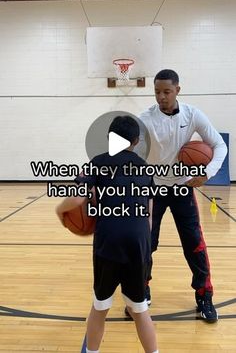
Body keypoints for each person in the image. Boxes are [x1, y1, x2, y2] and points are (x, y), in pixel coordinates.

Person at [56, 116, 159, 353]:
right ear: (136, 141)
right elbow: (149, 217)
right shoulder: (145, 168)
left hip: (109, 241)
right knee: (140, 310)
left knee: (100, 307)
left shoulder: (97, 162)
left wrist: (60, 210)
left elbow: (78, 198)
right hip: (138, 242)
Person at [137, 69, 227, 323]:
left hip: (182, 187)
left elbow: (219, 145)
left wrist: (207, 172)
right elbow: (132, 152)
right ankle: (141, 290)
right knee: (145, 243)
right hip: (154, 187)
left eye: (166, 91)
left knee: (194, 244)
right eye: (157, 92)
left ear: (178, 90)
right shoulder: (145, 119)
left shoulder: (192, 114)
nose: (161, 97)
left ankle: (204, 296)